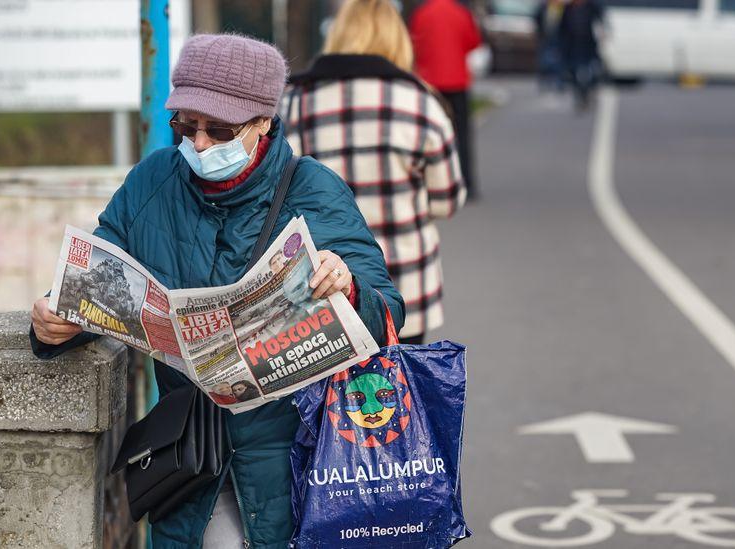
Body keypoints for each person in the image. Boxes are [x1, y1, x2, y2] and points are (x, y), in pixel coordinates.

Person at [29, 33, 404, 549]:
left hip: (297, 463)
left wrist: (349, 285)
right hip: (191, 459)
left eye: (220, 130)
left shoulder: (314, 189)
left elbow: (387, 312)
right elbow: (97, 273)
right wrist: (54, 322)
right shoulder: (154, 180)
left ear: (264, 123)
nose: (199, 144)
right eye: (185, 125)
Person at [283, 0, 466, 345]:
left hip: (321, 285)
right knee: (395, 393)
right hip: (404, 284)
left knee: (325, 397)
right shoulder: (419, 102)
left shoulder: (294, 100)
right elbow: (447, 200)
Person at [409, 0, 482, 199]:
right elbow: (473, 41)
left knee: (428, 136)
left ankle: (430, 185)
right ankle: (467, 182)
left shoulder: (422, 13)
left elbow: (415, 44)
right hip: (457, 80)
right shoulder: (461, 12)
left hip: (430, 82)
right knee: (462, 135)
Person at [558, 0, 605, 111]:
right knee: (573, 73)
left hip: (588, 46)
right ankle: (580, 96)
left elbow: (600, 22)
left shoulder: (591, 6)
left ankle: (587, 93)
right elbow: (561, 28)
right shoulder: (568, 8)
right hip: (572, 47)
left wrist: (602, 33)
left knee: (590, 72)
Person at [535, 0, 566, 94]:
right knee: (543, 60)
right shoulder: (544, 7)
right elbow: (538, 19)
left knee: (559, 61)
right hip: (545, 37)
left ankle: (559, 83)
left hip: (558, 38)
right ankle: (544, 81)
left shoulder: (562, 8)